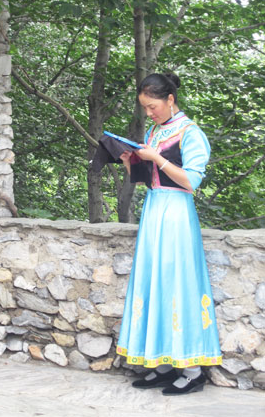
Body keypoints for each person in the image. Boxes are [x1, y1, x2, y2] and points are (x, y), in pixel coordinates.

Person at [116, 73, 222, 396]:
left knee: (178, 282)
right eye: (145, 108)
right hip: (154, 210)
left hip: (176, 213)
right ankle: (162, 364)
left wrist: (157, 157)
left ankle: (191, 370)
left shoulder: (191, 133)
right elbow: (150, 179)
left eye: (153, 106)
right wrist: (129, 163)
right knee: (154, 282)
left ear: (170, 100)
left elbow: (191, 182)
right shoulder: (153, 132)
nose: (149, 113)